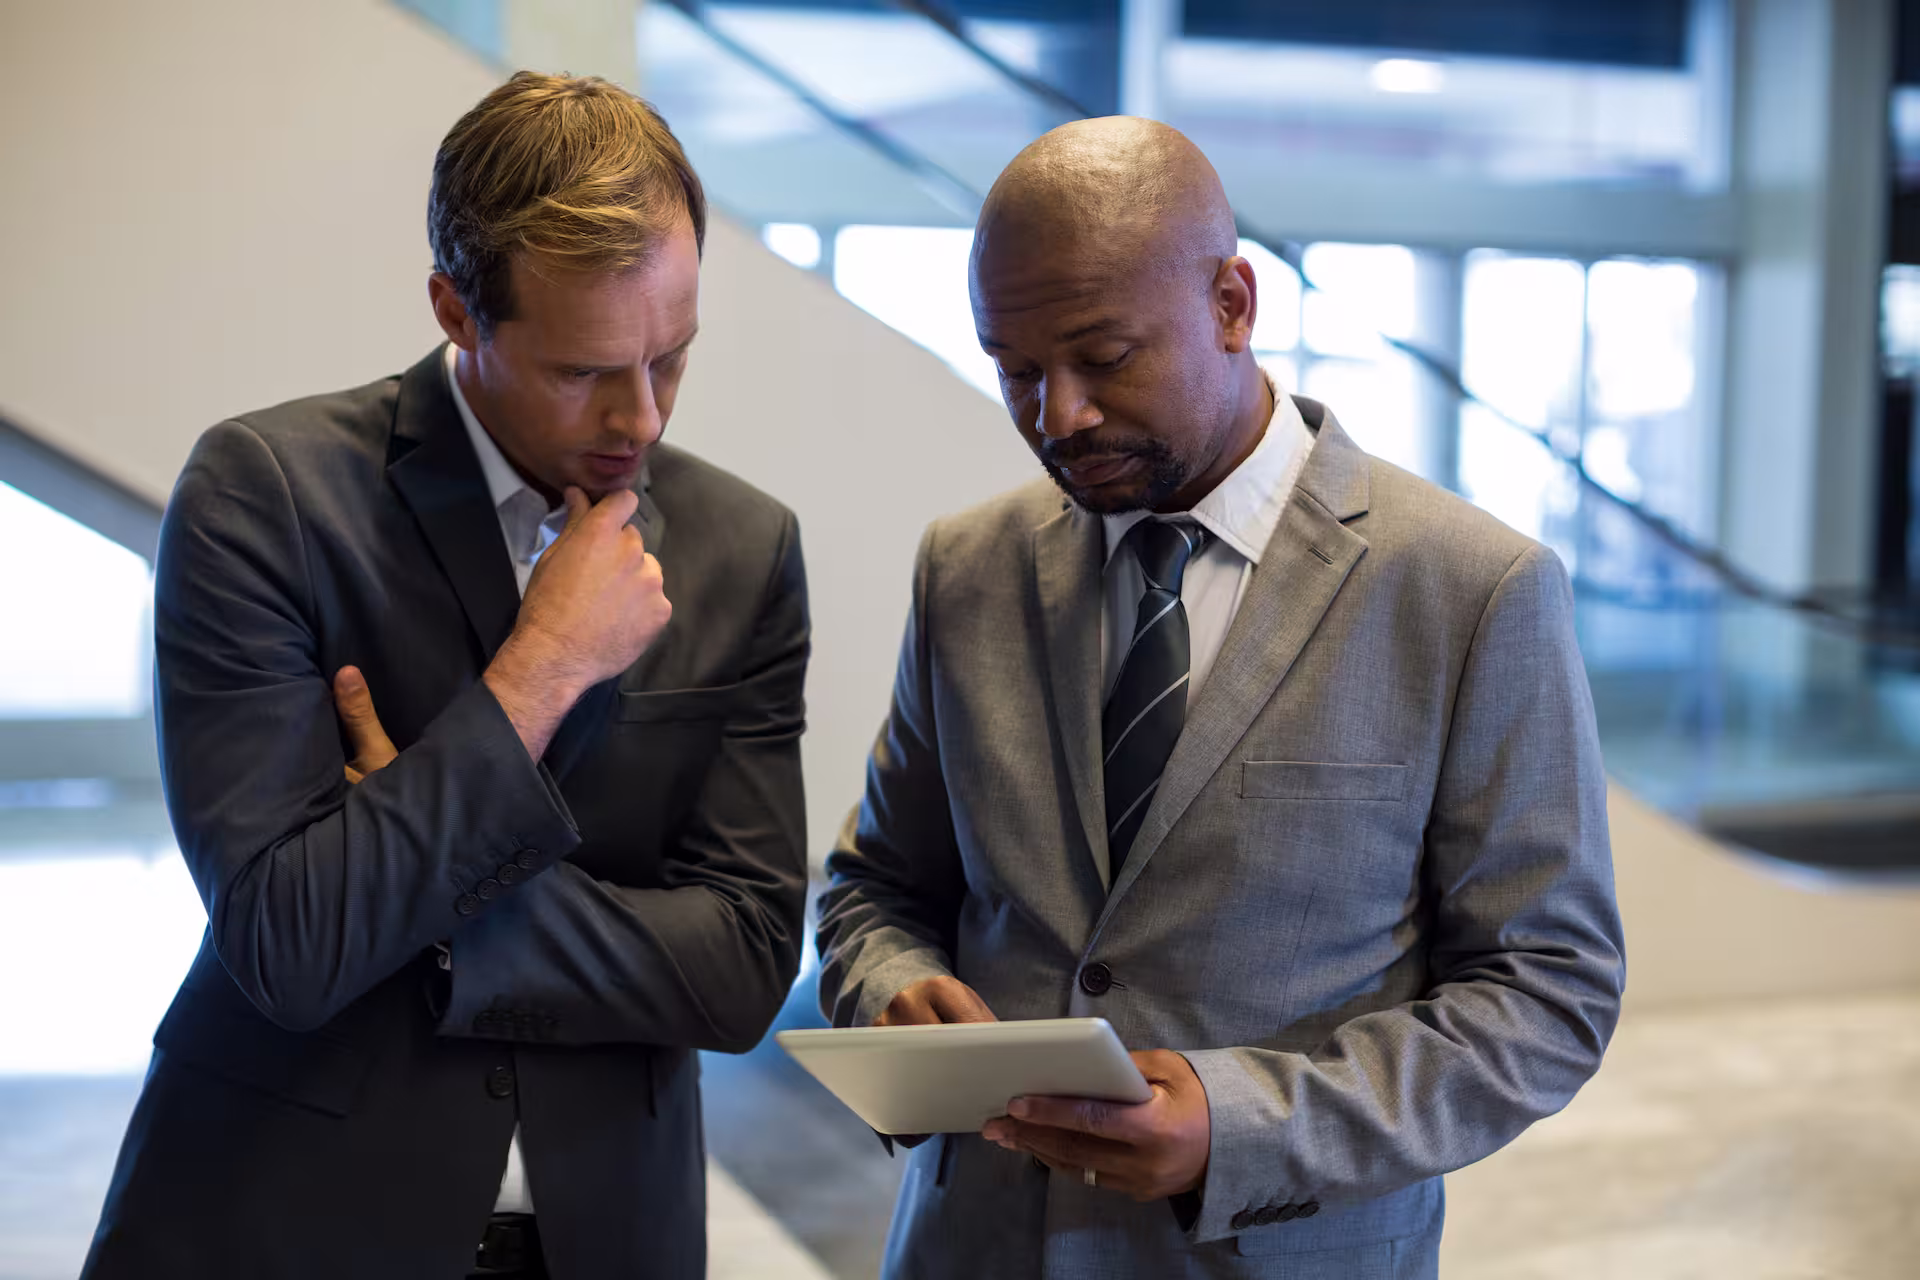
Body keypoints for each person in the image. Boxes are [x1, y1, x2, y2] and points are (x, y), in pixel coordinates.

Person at [815, 116, 1625, 1279]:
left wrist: (1241, 1123)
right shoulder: (968, 565)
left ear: (1234, 304)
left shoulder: (1469, 588)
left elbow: (1549, 991)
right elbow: (875, 885)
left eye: (1104, 355)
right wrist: (888, 988)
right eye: (1017, 368)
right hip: (971, 1247)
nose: (1059, 413)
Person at [82, 73, 809, 1280]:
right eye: (585, 370)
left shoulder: (746, 545)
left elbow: (741, 967)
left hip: (608, 1235)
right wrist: (540, 671)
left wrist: (419, 868)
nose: (642, 418)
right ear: (457, 310)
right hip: (280, 1219)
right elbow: (292, 937)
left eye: (673, 356)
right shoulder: (266, 493)